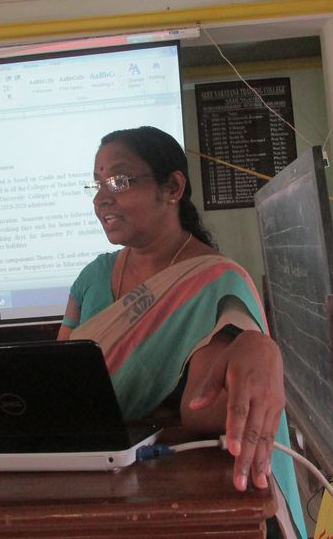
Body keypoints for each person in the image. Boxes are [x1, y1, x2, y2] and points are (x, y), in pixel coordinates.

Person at [58, 126, 306, 538]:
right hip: (85, 489)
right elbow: (58, 382)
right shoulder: (92, 278)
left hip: (175, 500)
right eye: (97, 184)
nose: (101, 198)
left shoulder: (215, 283)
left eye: (118, 181)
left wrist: (257, 348)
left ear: (172, 187)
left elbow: (202, 406)